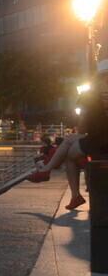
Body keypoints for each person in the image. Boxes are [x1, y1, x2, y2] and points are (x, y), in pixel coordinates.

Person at [26, 79, 108, 209]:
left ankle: (50, 173)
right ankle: (49, 171)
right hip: (102, 139)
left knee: (70, 151)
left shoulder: (89, 97)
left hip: (100, 142)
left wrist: (82, 120)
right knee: (70, 141)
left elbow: (83, 128)